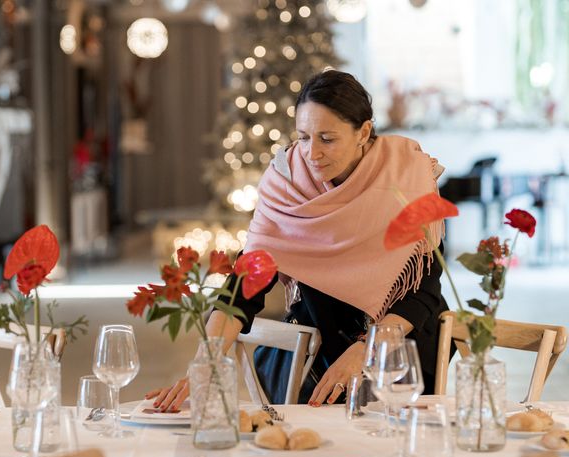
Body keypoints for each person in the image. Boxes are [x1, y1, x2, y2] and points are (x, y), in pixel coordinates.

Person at [146, 69, 448, 411]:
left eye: (327, 138)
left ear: (364, 131)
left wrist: (368, 350)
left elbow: (425, 289)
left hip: (399, 346)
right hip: (321, 349)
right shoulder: (286, 184)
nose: (311, 152)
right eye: (303, 137)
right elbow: (245, 285)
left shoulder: (407, 177)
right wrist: (204, 365)